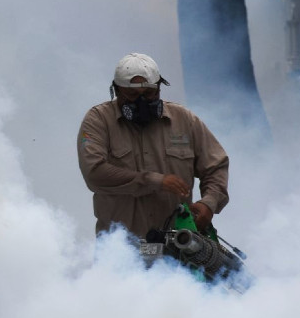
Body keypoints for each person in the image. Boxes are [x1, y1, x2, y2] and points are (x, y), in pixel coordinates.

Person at [76, 53, 229, 239]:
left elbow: (216, 166)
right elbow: (94, 173)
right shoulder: (98, 121)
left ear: (159, 87)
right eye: (132, 95)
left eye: (149, 93)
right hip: (120, 249)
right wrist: (155, 181)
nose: (142, 102)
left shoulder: (184, 119)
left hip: (179, 244)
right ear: (117, 91)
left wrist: (209, 203)